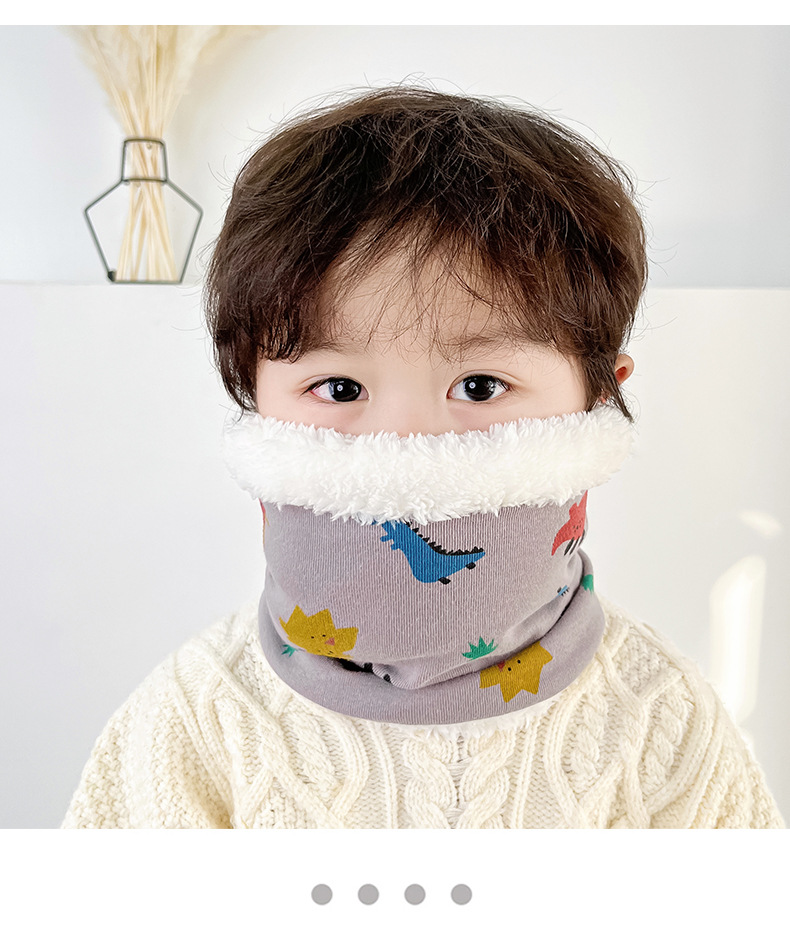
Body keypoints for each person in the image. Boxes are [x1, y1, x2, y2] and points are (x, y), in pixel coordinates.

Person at [61, 86, 784, 829]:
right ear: (253, 400)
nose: (405, 442)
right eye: (339, 388)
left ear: (598, 396)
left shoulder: (662, 719)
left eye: (480, 386)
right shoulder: (196, 718)